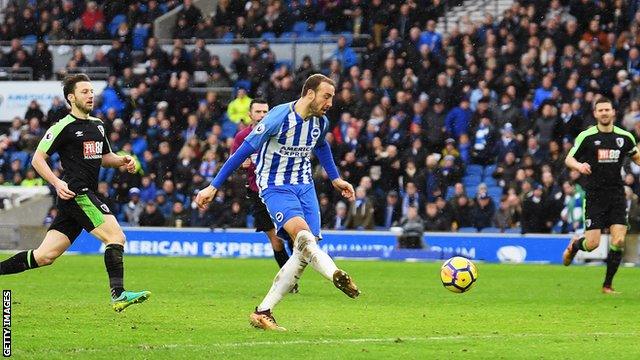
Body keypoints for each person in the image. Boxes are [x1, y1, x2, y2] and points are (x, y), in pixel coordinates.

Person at [195, 74, 360, 331]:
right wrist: (213, 186)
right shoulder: (278, 117)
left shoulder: (321, 122)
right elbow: (244, 151)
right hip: (275, 186)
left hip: (305, 187)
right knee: (304, 239)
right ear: (310, 94)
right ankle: (335, 274)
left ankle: (263, 311)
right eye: (327, 96)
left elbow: (321, 146)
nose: (330, 102)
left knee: (304, 252)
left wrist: (336, 178)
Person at [0, 74, 151, 312]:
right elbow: (37, 159)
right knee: (116, 237)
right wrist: (56, 183)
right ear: (71, 98)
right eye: (84, 92)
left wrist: (122, 160)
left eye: (91, 91)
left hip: (78, 197)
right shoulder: (63, 127)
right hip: (77, 193)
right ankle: (118, 294)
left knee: (45, 256)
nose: (90, 95)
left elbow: (104, 158)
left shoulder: (98, 125)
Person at [563, 97, 640, 294]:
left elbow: (636, 156)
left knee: (619, 240)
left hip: (616, 196)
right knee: (592, 243)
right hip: (595, 196)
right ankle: (575, 245)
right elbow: (569, 158)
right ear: (596, 114)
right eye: (601, 110)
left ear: (613, 112)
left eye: (607, 110)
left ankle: (607, 285)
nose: (604, 113)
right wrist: (579, 165)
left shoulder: (625, 137)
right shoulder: (587, 136)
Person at [230, 98, 299, 292]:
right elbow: (233, 162)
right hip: (256, 193)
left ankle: (292, 274)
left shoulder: (277, 135)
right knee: (276, 241)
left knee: (294, 238)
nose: (261, 115)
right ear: (250, 115)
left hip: (279, 191)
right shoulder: (241, 137)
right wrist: (240, 165)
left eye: (265, 112)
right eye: (258, 112)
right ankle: (290, 282)